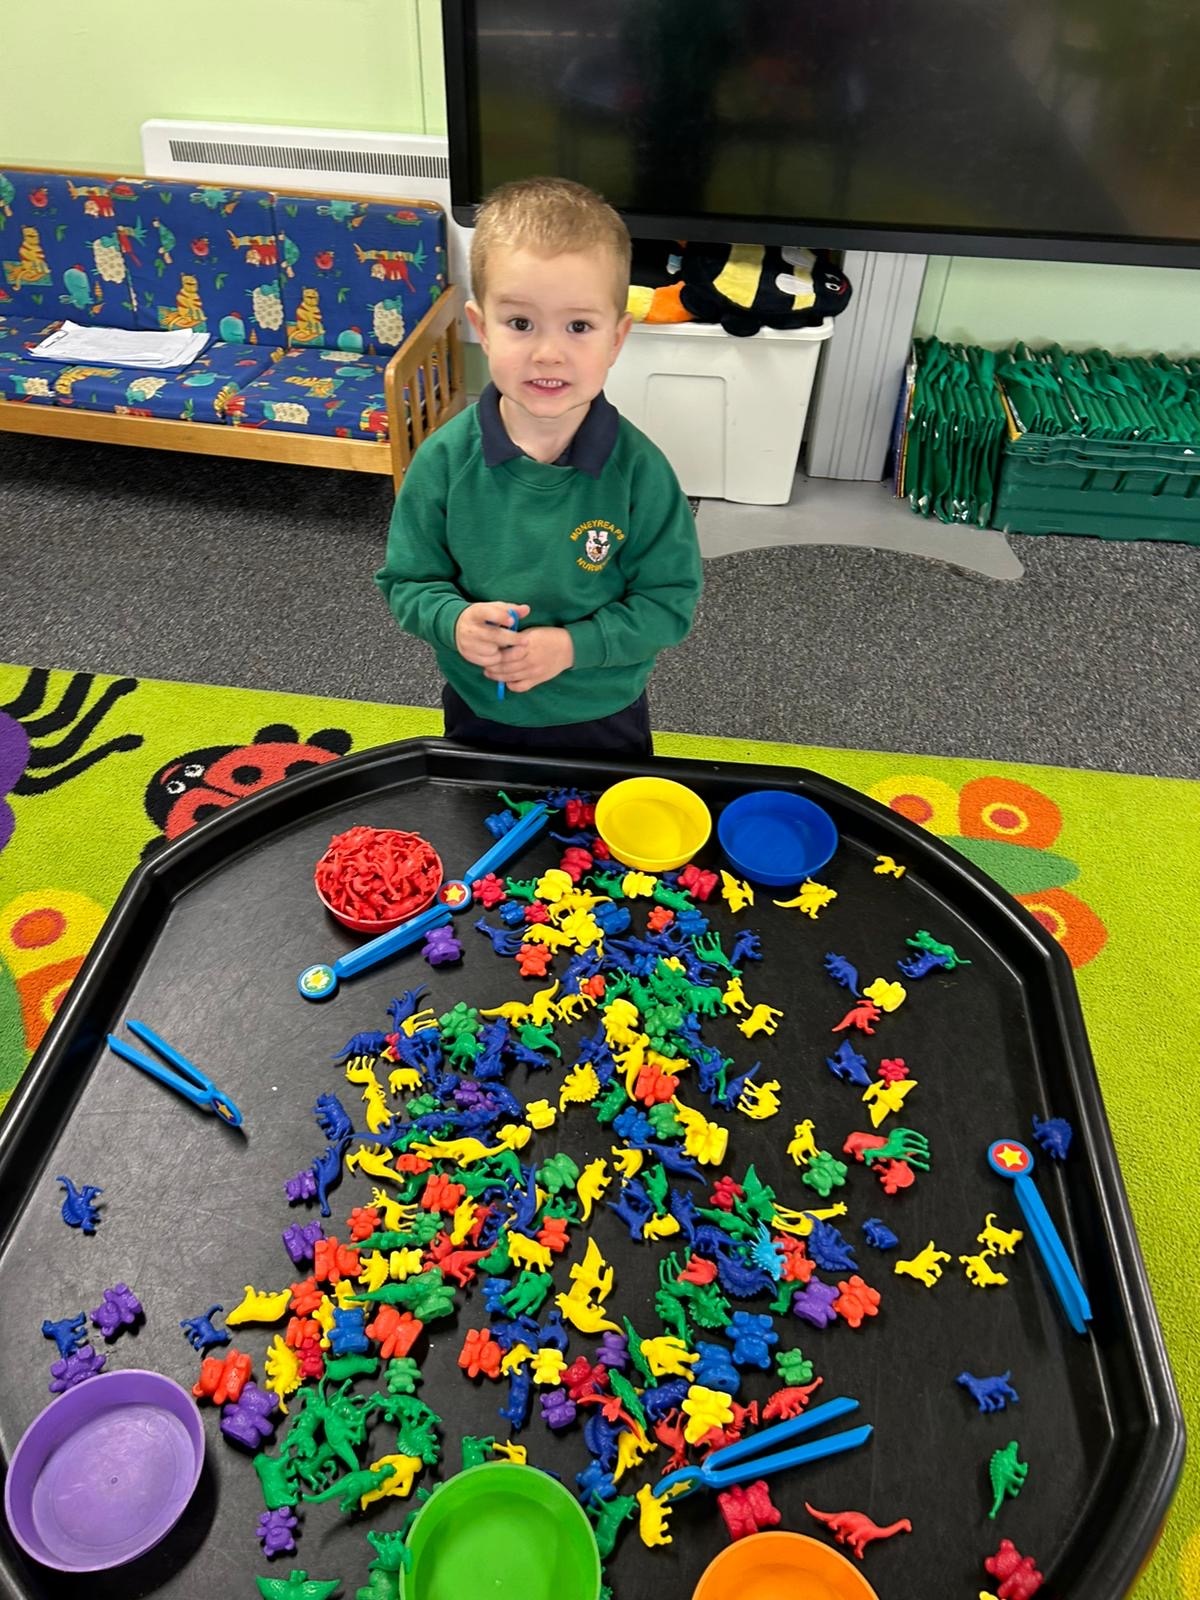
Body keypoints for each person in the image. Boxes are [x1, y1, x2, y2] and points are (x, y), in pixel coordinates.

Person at [374, 176, 702, 760]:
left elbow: (668, 604)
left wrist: (572, 647)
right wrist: (453, 621)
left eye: (579, 327)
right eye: (521, 324)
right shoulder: (443, 461)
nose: (548, 353)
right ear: (482, 329)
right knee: (474, 812)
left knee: (603, 820)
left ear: (617, 339)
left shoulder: (642, 473)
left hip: (603, 711)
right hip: (478, 705)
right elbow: (407, 582)